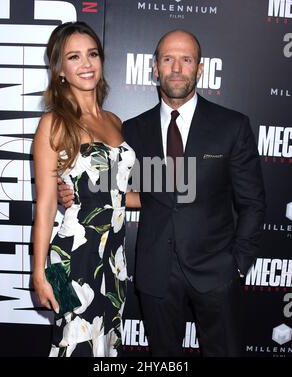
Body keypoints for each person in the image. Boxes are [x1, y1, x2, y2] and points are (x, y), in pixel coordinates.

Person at [59, 29, 266, 357]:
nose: (176, 68)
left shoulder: (232, 126)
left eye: (186, 60)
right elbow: (105, 186)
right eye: (168, 59)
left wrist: (238, 264)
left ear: (199, 69)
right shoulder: (130, 131)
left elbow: (252, 203)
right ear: (155, 68)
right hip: (156, 274)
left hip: (217, 272)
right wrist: (72, 191)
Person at [32, 21, 135, 357]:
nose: (86, 64)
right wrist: (38, 273)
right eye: (74, 57)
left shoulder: (115, 121)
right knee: (73, 344)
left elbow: (116, 194)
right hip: (72, 258)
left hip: (114, 259)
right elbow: (46, 207)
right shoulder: (54, 123)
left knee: (105, 347)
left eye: (92, 54)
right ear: (60, 70)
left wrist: (175, 198)